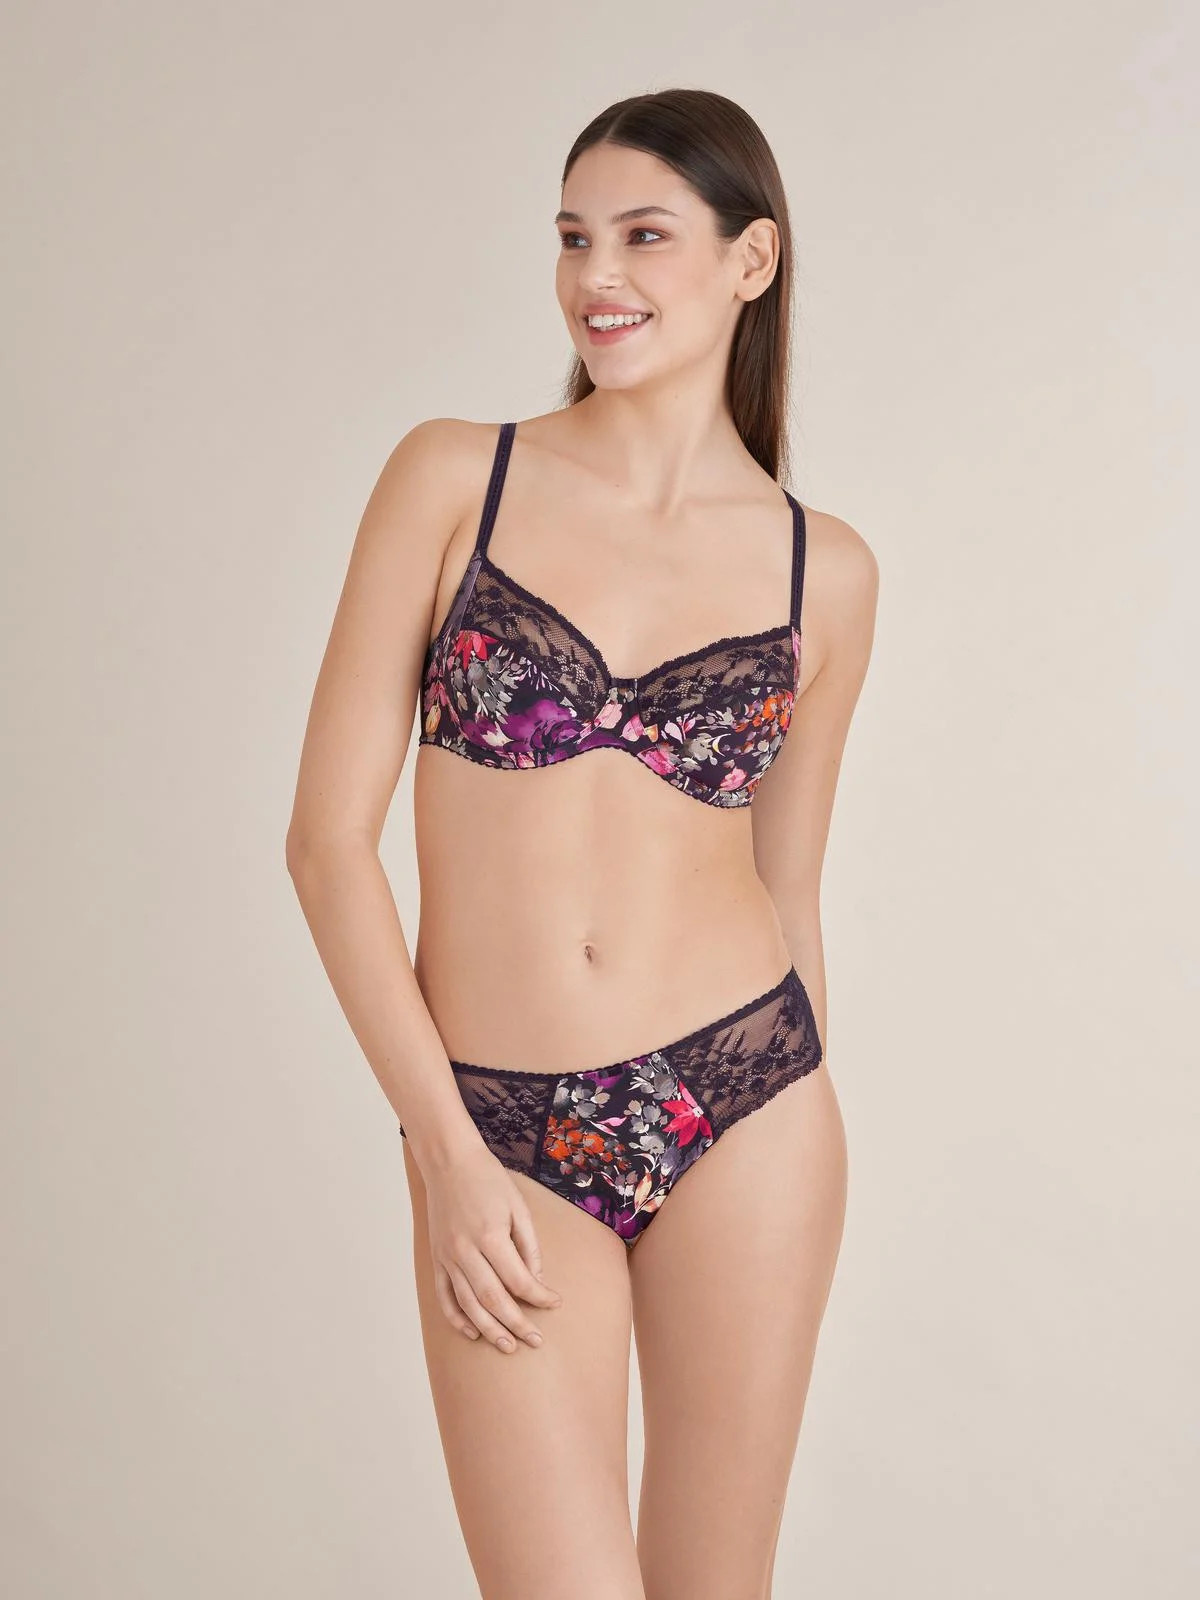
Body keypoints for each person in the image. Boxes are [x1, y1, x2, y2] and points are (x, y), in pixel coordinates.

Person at [286, 87, 879, 1600]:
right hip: (498, 1121)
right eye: (571, 238)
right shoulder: (455, 478)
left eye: (642, 236)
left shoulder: (825, 571)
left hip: (748, 1106)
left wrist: (810, 1110)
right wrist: (443, 1151)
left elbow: (787, 881)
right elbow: (327, 846)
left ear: (751, 262)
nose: (594, 276)